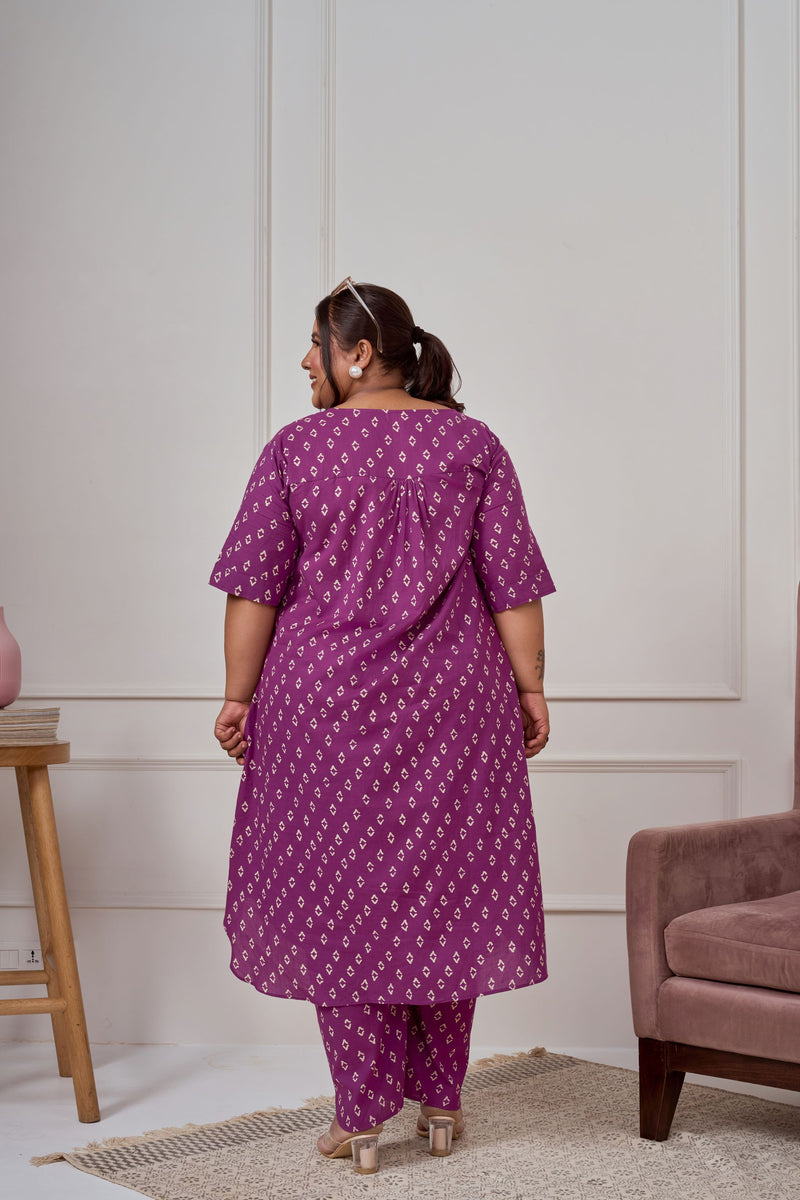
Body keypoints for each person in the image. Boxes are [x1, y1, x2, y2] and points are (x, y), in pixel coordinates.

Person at [209, 278, 556, 1170]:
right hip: (458, 703)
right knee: (445, 893)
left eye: (314, 343)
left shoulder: (297, 449)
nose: (305, 360)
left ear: (358, 354)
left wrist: (238, 695)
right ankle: (440, 1104)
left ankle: (360, 1118)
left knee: (341, 901)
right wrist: (531, 689)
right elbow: (513, 584)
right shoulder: (472, 444)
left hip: (324, 707)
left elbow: (253, 587)